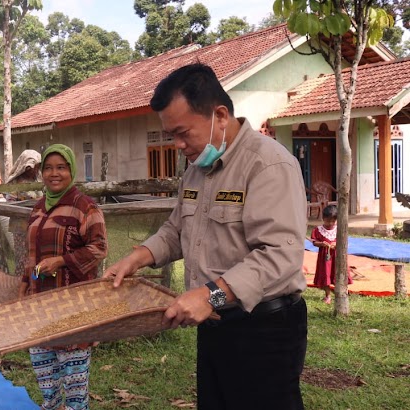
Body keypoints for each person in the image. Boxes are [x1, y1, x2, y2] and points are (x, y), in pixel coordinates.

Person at [105, 63, 308, 410]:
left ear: (220, 115)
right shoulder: (197, 168)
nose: (178, 144)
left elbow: (279, 254)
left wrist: (211, 295)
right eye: (171, 134)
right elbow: (176, 230)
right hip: (215, 321)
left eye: (183, 132)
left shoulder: (268, 165)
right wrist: (136, 257)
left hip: (264, 329)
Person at [18, 144, 107, 410]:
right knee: (46, 380)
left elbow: (99, 248)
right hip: (41, 304)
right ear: (41, 172)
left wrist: (62, 261)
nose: (54, 174)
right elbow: (32, 255)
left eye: (61, 167)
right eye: (48, 168)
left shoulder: (85, 207)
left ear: (71, 170)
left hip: (74, 305)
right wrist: (25, 283)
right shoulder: (38, 208)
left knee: (75, 386)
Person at [310, 204, 348, 304]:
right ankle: (327, 296)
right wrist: (322, 244)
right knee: (326, 274)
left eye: (333, 221)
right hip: (325, 258)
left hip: (337, 257)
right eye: (328, 221)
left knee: (338, 273)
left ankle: (341, 293)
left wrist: (337, 244)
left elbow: (344, 241)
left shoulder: (339, 229)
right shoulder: (318, 230)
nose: (330, 223)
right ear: (323, 218)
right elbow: (314, 242)